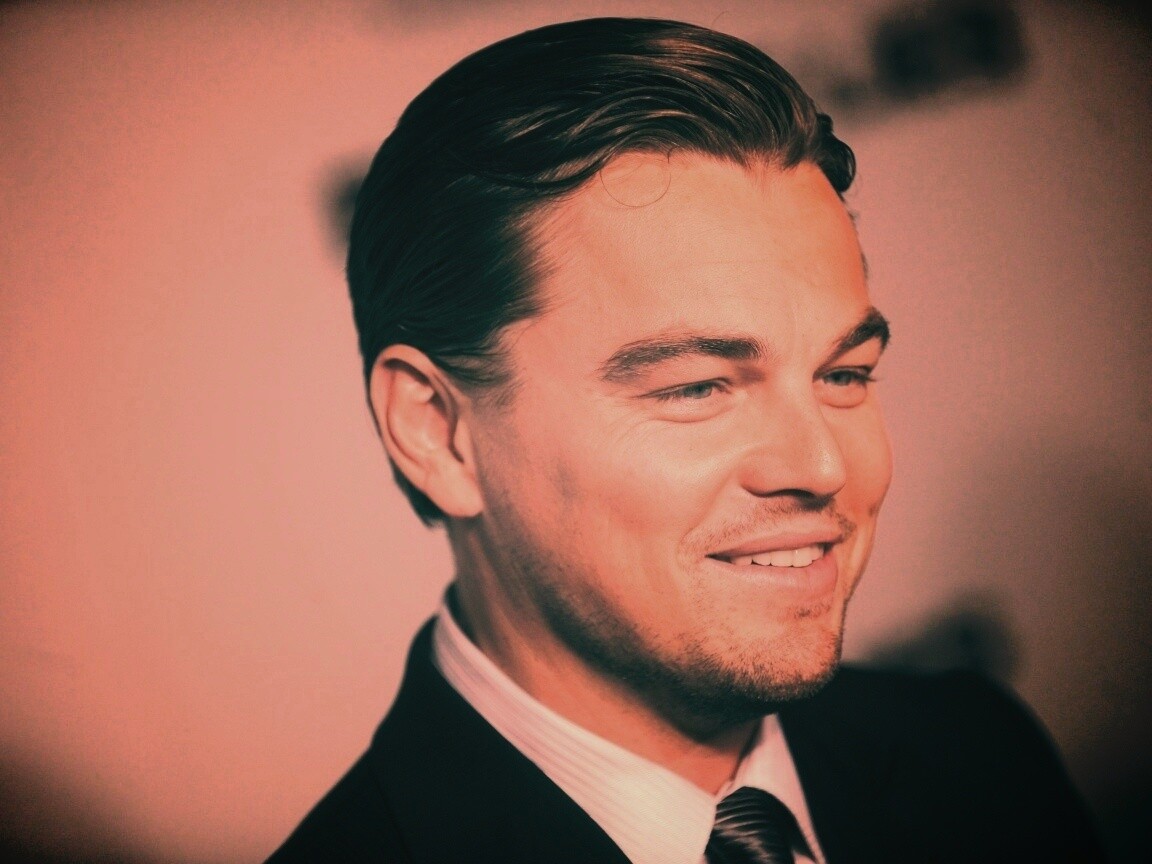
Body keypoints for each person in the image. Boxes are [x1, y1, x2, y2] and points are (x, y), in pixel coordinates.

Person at [267, 17, 1103, 863]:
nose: (820, 465)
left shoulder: (977, 758)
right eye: (697, 387)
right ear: (437, 431)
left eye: (845, 374)